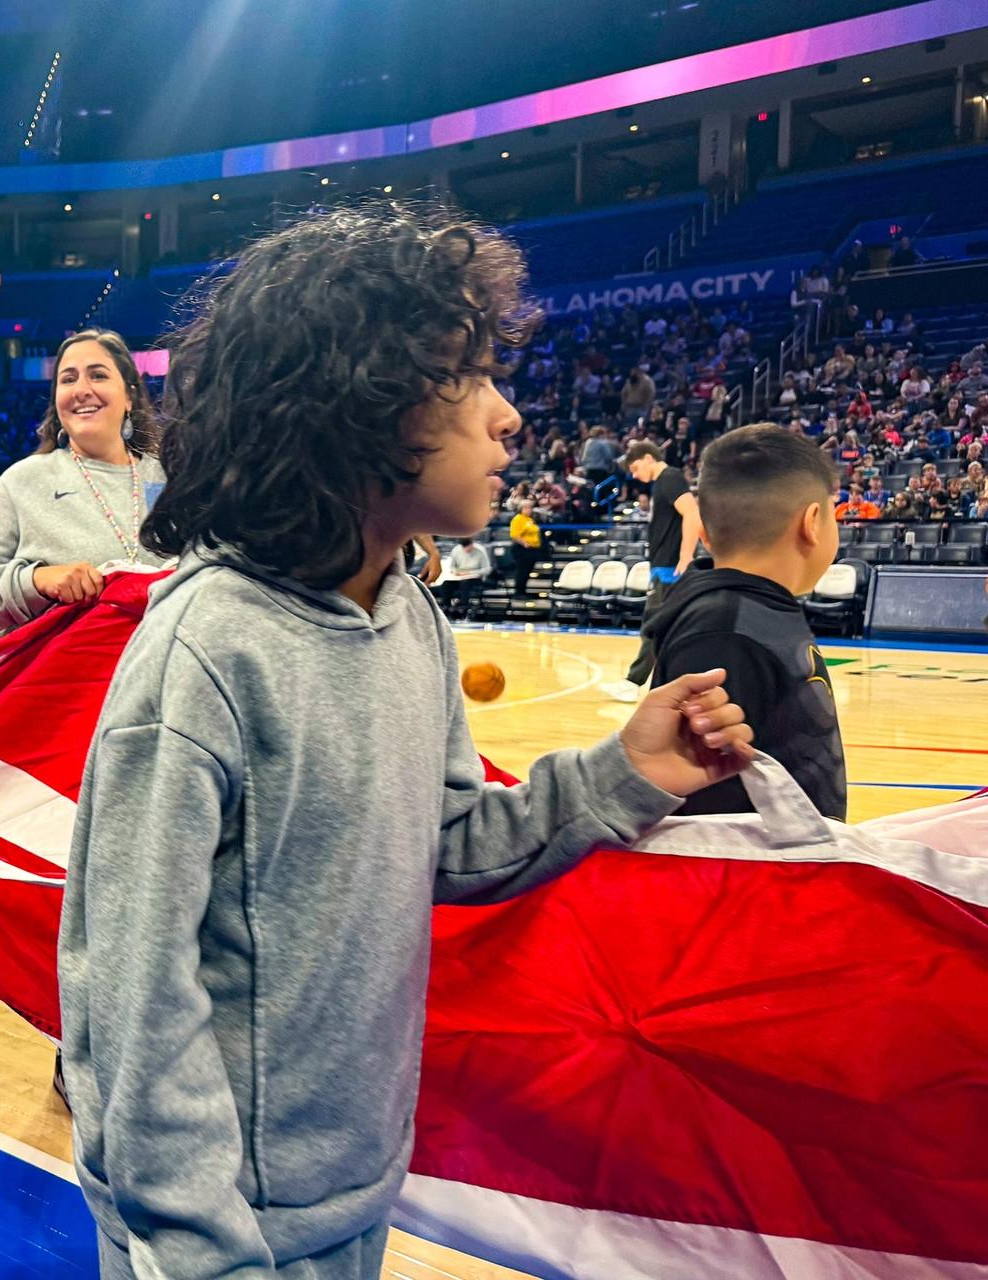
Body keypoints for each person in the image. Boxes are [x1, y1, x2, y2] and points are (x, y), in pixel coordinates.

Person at [59, 203, 754, 1280]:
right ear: (353, 399)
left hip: (354, 1184)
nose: (510, 415)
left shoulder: (411, 612)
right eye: (469, 377)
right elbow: (128, 1000)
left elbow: (448, 842)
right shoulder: (203, 651)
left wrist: (629, 770)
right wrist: (200, 1245)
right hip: (219, 1230)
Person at [648, 425, 845, 818]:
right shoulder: (725, 631)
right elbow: (705, 814)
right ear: (813, 522)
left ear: (703, 533)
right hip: (760, 873)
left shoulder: (753, 611)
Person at [0, 328, 167, 637]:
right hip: (61, 682)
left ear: (129, 395)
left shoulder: (170, 481)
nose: (82, 390)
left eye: (98, 375)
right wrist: (38, 581)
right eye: (68, 379)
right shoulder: (22, 481)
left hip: (161, 680)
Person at [602, 440, 703, 702]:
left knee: (653, 628)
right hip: (664, 567)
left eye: (635, 467)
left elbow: (692, 514)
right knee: (669, 631)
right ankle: (667, 687)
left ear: (649, 458)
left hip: (669, 569)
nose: (635, 475)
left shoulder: (669, 478)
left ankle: (632, 683)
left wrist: (685, 555)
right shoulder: (666, 481)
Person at [438, 536, 491, 620]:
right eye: (464, 548)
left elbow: (487, 569)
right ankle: (446, 607)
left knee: (465, 584)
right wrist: (456, 572)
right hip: (459, 577)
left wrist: (470, 573)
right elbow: (452, 567)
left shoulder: (480, 550)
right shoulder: (456, 550)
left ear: (472, 544)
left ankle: (463, 608)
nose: (466, 550)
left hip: (475, 578)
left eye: (468, 548)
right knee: (446, 584)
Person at [506, 499, 543, 595]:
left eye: (530, 507)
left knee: (527, 572)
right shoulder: (518, 519)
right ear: (520, 509)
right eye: (526, 508)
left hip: (532, 550)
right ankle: (519, 592)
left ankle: (523, 591)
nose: (529, 510)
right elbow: (514, 535)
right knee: (522, 571)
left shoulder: (529, 519)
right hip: (522, 550)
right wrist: (525, 543)